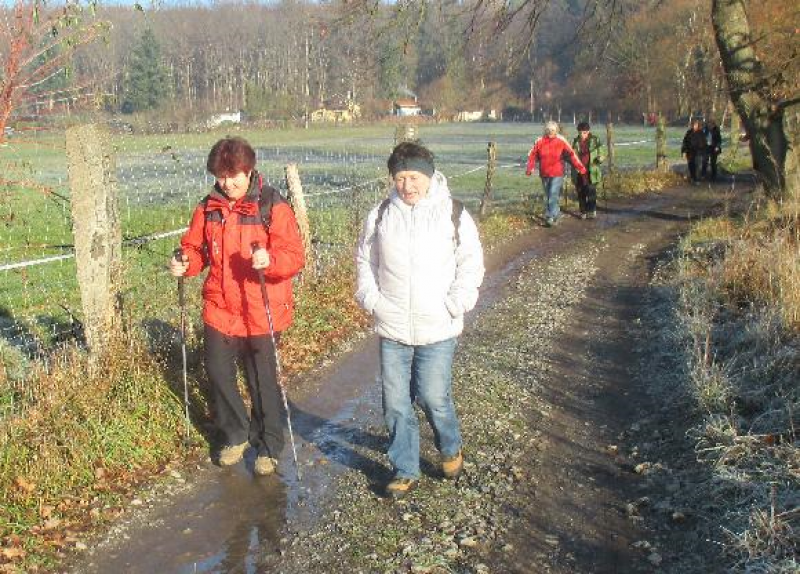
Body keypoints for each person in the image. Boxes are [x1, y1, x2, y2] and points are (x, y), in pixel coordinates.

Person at [355, 142, 485, 497]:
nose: (407, 186)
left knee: (432, 397)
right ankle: (404, 467)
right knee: (395, 402)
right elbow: (365, 260)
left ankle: (450, 446)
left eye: (413, 177)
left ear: (428, 176)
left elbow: (470, 263)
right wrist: (372, 300)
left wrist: (456, 303)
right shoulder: (381, 214)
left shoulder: (453, 213)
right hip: (393, 325)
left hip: (438, 326)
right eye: (400, 178)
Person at [170, 136, 305, 476]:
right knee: (217, 371)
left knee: (262, 381)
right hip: (221, 306)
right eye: (220, 176)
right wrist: (185, 262)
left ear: (249, 171)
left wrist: (269, 259)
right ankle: (235, 432)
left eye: (234, 176)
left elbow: (293, 256)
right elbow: (196, 249)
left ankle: (269, 444)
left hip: (261, 305)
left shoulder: (272, 207)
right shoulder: (208, 208)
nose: (227, 184)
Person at [526, 121, 587, 227]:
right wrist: (530, 168)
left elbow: (571, 154)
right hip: (544, 173)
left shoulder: (561, 140)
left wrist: (580, 168)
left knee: (552, 194)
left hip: (557, 172)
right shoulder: (539, 141)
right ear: (545, 130)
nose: (550, 132)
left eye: (553, 130)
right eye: (548, 130)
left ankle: (549, 217)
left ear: (556, 131)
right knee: (549, 195)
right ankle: (556, 213)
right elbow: (532, 155)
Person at [571, 121, 604, 219]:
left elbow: (602, 152)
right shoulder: (575, 142)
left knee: (591, 191)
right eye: (580, 132)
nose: (582, 135)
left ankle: (592, 210)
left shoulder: (595, 140)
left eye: (584, 132)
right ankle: (583, 211)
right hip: (579, 171)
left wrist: (600, 158)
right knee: (580, 192)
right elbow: (572, 154)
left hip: (592, 170)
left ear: (588, 131)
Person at [681, 118, 707, 184]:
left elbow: (704, 143)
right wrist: (683, 151)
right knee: (691, 166)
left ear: (697, 125)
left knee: (697, 166)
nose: (693, 126)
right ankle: (693, 178)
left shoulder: (701, 133)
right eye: (692, 125)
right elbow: (685, 142)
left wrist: (704, 152)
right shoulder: (688, 133)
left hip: (698, 153)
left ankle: (697, 179)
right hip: (689, 152)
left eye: (695, 124)